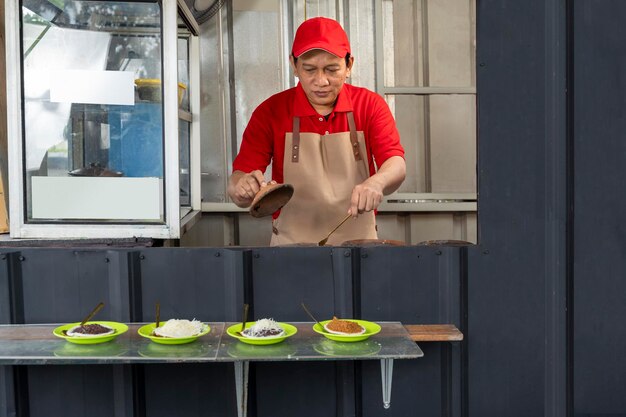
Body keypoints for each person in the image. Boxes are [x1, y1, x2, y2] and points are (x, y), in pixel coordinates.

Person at [228, 16, 406, 246]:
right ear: (294, 65)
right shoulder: (270, 112)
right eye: (310, 69)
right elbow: (237, 182)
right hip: (290, 245)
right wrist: (242, 187)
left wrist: (377, 182)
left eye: (332, 69)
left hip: (359, 244)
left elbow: (396, 163)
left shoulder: (369, 105)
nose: (321, 81)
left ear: (349, 65)